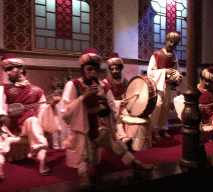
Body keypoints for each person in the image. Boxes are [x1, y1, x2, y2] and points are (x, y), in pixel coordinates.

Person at [59, 48, 154, 188]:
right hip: (81, 128)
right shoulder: (73, 85)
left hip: (99, 126)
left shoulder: (103, 86)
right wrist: (83, 97)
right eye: (88, 69)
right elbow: (65, 111)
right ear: (83, 70)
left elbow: (112, 108)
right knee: (82, 142)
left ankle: (135, 163)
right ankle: (83, 173)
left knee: (113, 140)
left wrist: (103, 100)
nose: (91, 73)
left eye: (94, 70)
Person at [0, 53, 61, 176]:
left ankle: (42, 163)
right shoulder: (3, 89)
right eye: (6, 70)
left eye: (11, 68)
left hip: (26, 126)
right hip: (8, 126)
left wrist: (52, 105)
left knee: (33, 122)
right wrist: (2, 116)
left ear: (21, 68)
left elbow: (43, 110)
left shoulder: (37, 90)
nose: (8, 73)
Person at [147, 32, 183, 140]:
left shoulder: (174, 58)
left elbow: (177, 72)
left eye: (175, 43)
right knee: (157, 106)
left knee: (165, 107)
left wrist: (178, 78)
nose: (172, 44)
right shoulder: (157, 55)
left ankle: (162, 128)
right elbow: (150, 72)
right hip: (156, 85)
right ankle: (153, 129)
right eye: (170, 41)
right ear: (166, 40)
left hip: (166, 85)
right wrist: (164, 71)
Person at [102, 53, 130, 143]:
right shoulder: (106, 82)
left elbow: (127, 95)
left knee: (130, 116)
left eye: (116, 69)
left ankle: (133, 136)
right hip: (111, 107)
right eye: (112, 69)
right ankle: (122, 137)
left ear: (120, 69)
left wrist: (126, 101)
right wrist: (118, 103)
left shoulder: (125, 81)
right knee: (117, 119)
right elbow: (105, 100)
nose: (114, 71)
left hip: (122, 106)